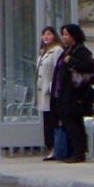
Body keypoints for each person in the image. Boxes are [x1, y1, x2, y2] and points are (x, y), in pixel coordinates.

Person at [52, 24, 94, 163]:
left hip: (76, 95)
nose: (64, 37)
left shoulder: (81, 51)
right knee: (69, 122)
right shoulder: (67, 50)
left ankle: (79, 153)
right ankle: (73, 151)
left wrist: (72, 61)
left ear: (74, 35)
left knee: (74, 123)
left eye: (67, 34)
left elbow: (88, 67)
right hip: (64, 93)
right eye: (63, 35)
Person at [36, 27, 63, 160]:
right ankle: (50, 147)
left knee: (52, 120)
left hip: (50, 91)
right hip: (42, 91)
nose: (46, 37)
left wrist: (52, 87)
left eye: (49, 34)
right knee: (47, 120)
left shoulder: (57, 51)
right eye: (44, 35)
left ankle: (55, 148)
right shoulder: (43, 51)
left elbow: (57, 70)